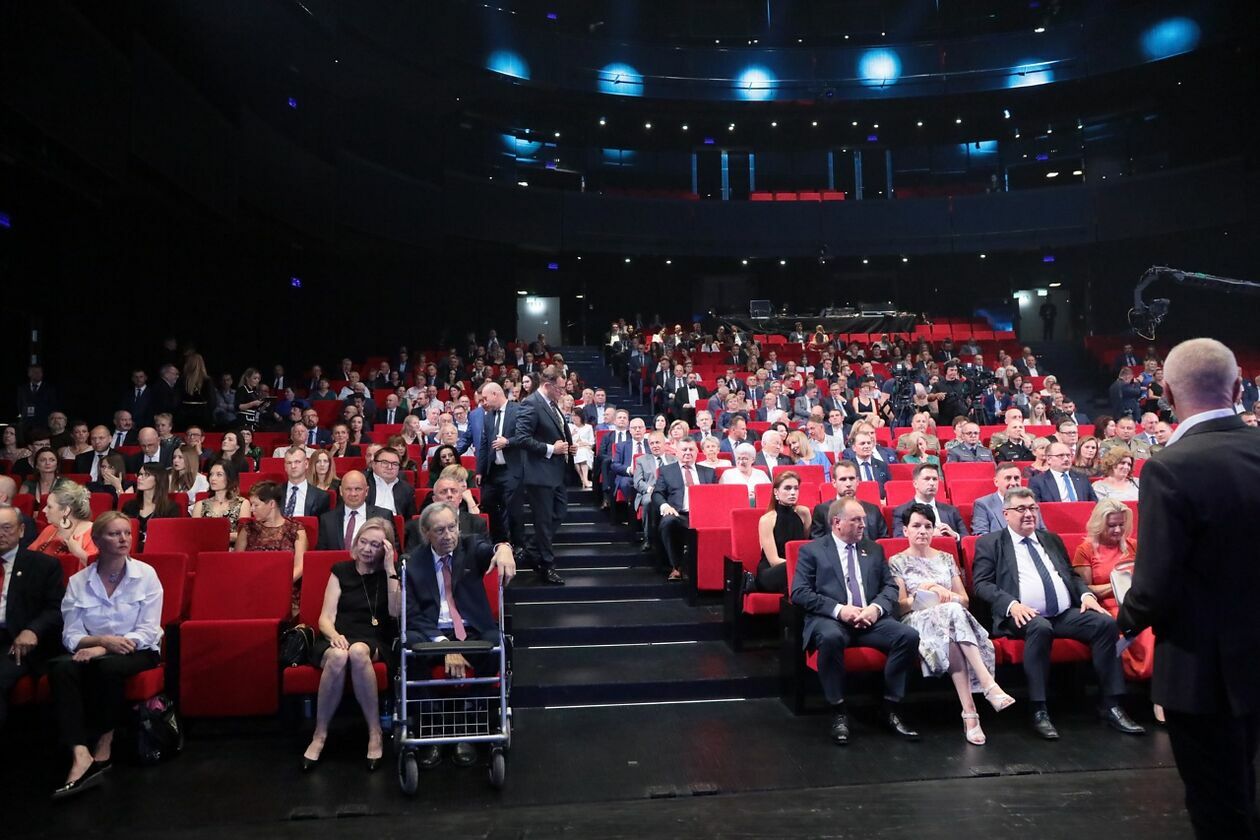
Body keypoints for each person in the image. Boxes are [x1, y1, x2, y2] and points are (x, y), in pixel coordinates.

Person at [1117, 338, 1260, 839]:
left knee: (1219, 809)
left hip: (1204, 671)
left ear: (1167, 395)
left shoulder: (1170, 467)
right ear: (1238, 388)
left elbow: (1155, 584)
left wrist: (1124, 622)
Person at [971, 487, 1144, 740]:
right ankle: (1039, 709)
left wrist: (1086, 596)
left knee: (1105, 624)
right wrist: (1011, 604)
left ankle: (1111, 705)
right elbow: (982, 584)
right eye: (1021, 509)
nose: (1029, 514)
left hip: (1062, 613)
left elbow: (1070, 575)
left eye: (1032, 508)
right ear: (1006, 513)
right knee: (1040, 627)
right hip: (1020, 615)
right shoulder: (991, 543)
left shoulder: (1051, 539)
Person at [49, 512, 163, 798]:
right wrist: (100, 641)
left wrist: (105, 646)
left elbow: (148, 630)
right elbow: (71, 634)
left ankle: (105, 742)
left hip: (139, 649)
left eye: (127, 533)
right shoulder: (79, 581)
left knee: (108, 668)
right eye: (114, 534)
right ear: (97, 541)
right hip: (93, 649)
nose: (124, 539)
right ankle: (79, 753)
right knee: (60, 668)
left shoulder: (145, 575)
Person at [790, 498, 921, 744]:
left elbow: (890, 587)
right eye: (856, 520)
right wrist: (839, 610)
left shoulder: (873, 549)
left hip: (869, 618)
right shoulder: (813, 551)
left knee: (908, 636)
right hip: (831, 619)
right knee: (830, 637)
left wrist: (875, 609)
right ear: (837, 522)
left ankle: (890, 706)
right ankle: (838, 709)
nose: (864, 524)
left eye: (863, 519)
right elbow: (799, 592)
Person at [402, 502, 516, 769]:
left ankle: (469, 721)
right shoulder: (413, 562)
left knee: (497, 642)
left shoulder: (471, 546)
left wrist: (504, 549)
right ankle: (433, 727)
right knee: (410, 646)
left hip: (470, 629)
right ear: (426, 533)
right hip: (432, 633)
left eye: (452, 528)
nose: (448, 536)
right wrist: (446, 647)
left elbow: (489, 549)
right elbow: (412, 613)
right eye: (439, 530)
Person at [891, 504, 1013, 745]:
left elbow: (965, 600)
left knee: (953, 621)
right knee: (952, 613)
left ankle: (970, 713)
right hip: (917, 621)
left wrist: (941, 591)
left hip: (952, 622)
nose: (923, 531)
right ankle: (988, 685)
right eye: (916, 526)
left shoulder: (946, 558)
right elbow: (901, 606)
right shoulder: (897, 561)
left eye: (928, 526)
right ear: (905, 530)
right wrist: (927, 592)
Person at [302, 517, 401, 772]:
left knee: (357, 652)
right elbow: (325, 618)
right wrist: (333, 635)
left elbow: (395, 612)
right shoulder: (341, 570)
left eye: (375, 545)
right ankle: (320, 735)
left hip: (373, 638)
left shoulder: (390, 573)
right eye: (363, 542)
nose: (367, 549)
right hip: (338, 635)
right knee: (338, 655)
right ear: (356, 543)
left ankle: (375, 733)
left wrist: (390, 568)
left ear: (386, 548)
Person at [1071, 499, 1154, 698]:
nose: (1117, 530)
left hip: (1136, 604)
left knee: (1155, 626)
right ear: (1099, 524)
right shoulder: (1086, 550)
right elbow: (1084, 589)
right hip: (1107, 607)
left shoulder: (1133, 546)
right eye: (1111, 525)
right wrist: (1119, 584)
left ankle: (1158, 690)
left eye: (1121, 525)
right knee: (1130, 626)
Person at [0, 507, 64, 728]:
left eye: (6, 528)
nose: (1, 534)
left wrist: (33, 629)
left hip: (17, 642)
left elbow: (56, 609)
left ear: (21, 530)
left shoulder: (43, 565)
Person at [511, 365, 571, 586]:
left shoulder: (551, 404)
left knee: (559, 512)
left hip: (556, 471)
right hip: (539, 472)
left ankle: (530, 549)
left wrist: (567, 447)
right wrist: (551, 449)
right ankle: (547, 566)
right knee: (543, 522)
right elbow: (522, 438)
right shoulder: (531, 404)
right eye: (560, 388)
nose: (563, 392)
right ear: (547, 385)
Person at [237, 480, 308, 616]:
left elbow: (300, 566)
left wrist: (277, 584)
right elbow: (237, 565)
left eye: (256, 505)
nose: (251, 509)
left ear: (271, 504)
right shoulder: (248, 530)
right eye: (251, 505)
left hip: (286, 589)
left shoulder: (295, 530)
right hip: (252, 589)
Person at [653, 439, 717, 582]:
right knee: (667, 522)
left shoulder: (709, 472)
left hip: (703, 516)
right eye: (684, 450)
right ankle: (677, 566)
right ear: (677, 452)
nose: (688, 453)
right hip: (678, 514)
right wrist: (665, 506)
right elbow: (657, 494)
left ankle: (709, 569)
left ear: (697, 452)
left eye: (691, 449)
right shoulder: (667, 471)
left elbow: (716, 496)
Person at [749, 471, 810, 594]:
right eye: (787, 488)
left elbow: (805, 544)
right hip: (772, 571)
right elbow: (773, 561)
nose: (792, 492)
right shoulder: (767, 519)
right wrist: (803, 565)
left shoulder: (804, 513)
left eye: (796, 488)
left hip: (797, 568)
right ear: (776, 492)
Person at [29, 483, 97, 571]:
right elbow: (28, 557)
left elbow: (99, 570)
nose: (44, 510)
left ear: (66, 511)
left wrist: (79, 553)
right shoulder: (49, 529)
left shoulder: (94, 533)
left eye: (49, 507)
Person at [811, 461, 887, 540]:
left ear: (857, 481)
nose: (848, 484)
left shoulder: (873, 510)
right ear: (834, 483)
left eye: (851, 479)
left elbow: (884, 541)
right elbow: (817, 543)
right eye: (843, 479)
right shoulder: (822, 511)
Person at [891, 463, 968, 538]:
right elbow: (899, 539)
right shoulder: (901, 511)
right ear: (915, 484)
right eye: (927, 479)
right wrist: (930, 533)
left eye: (935, 479)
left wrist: (955, 536)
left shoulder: (951, 510)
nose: (932, 483)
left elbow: (966, 539)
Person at [120, 464, 181, 551]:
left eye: (146, 475)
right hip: (129, 551)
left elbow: (168, 538)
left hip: (157, 551)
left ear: (158, 479)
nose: (140, 478)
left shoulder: (171, 508)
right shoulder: (129, 506)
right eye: (140, 474)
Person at [971, 462, 1042, 536]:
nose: (1013, 483)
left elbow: (1042, 533)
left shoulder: (1031, 504)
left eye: (1016, 478)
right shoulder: (983, 504)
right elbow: (982, 535)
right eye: (1008, 478)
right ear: (996, 482)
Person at [191, 461, 252, 545]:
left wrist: (213, 537)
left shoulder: (243, 503)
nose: (213, 478)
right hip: (205, 549)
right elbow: (194, 534)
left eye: (219, 474)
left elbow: (243, 535)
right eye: (211, 474)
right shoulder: (200, 505)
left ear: (229, 478)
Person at [1029, 442, 1098, 503]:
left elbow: (1094, 503)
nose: (1066, 459)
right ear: (1049, 459)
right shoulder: (1038, 482)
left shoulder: (1082, 478)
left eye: (1068, 455)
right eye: (1061, 456)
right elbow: (1036, 507)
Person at [280, 449, 331, 517]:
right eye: (289, 463)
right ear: (285, 467)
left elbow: (323, 522)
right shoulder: (275, 493)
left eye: (297, 462)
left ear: (306, 464)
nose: (293, 466)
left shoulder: (321, 496)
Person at [569, 410, 595, 489]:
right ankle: (584, 479)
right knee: (577, 453)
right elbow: (566, 440)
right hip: (573, 449)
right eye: (572, 416)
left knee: (582, 452)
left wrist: (584, 443)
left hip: (586, 448)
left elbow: (592, 442)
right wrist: (571, 434)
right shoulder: (570, 426)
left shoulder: (588, 427)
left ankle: (583, 479)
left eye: (576, 416)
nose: (573, 418)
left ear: (581, 417)